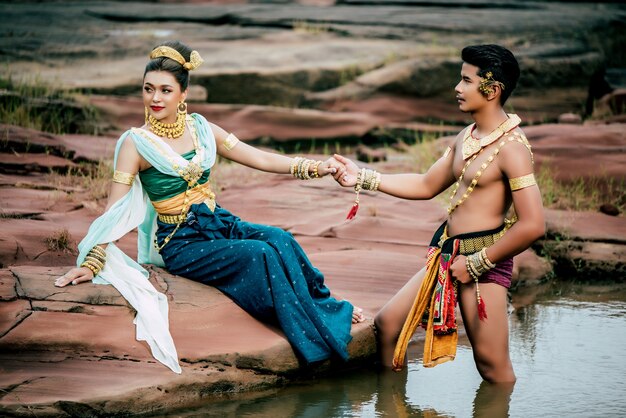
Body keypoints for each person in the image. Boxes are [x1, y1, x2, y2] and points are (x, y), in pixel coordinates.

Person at [54, 40, 364, 373]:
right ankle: (312, 328)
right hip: (181, 243)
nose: (155, 98)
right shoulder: (136, 143)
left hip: (218, 222)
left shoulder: (201, 129)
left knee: (280, 238)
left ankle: (325, 305)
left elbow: (257, 157)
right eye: (148, 89)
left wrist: (317, 168)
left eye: (165, 90)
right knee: (260, 254)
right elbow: (114, 208)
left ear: (183, 94)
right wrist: (94, 259)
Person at [332, 44, 545, 383]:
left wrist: (477, 263)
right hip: (447, 256)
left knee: (493, 367)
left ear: (492, 89)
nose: (457, 89)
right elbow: (426, 183)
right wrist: (364, 177)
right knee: (388, 325)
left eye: (465, 81)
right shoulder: (467, 135)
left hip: (483, 263)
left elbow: (533, 225)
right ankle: (391, 406)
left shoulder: (514, 149)